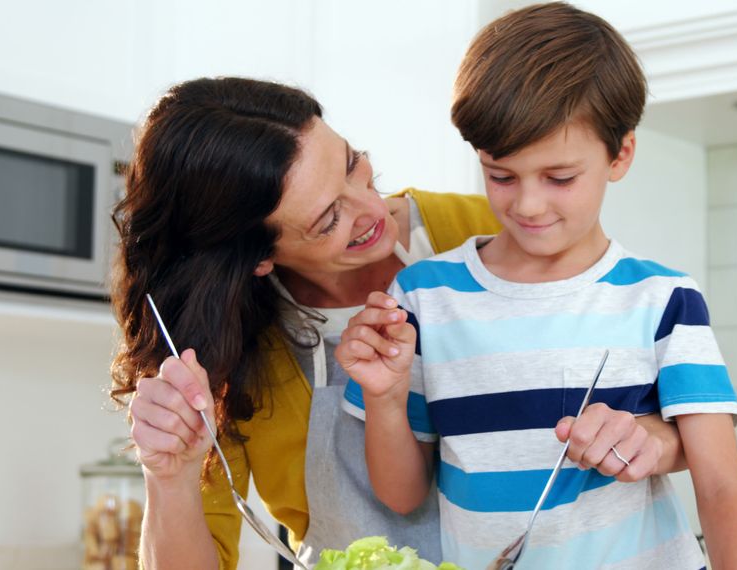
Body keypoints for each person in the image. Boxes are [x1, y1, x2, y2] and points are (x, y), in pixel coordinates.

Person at [108, 76, 688, 569]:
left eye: (353, 165)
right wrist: (170, 476)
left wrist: (652, 438)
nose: (371, 209)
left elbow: (678, 400)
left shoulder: (493, 229)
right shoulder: (219, 354)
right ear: (257, 256)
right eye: (330, 217)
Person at [337, 3, 737, 569]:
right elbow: (402, 495)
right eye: (501, 176)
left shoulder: (663, 300)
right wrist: (386, 398)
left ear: (621, 154)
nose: (528, 204)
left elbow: (722, 488)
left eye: (560, 178)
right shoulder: (421, 298)